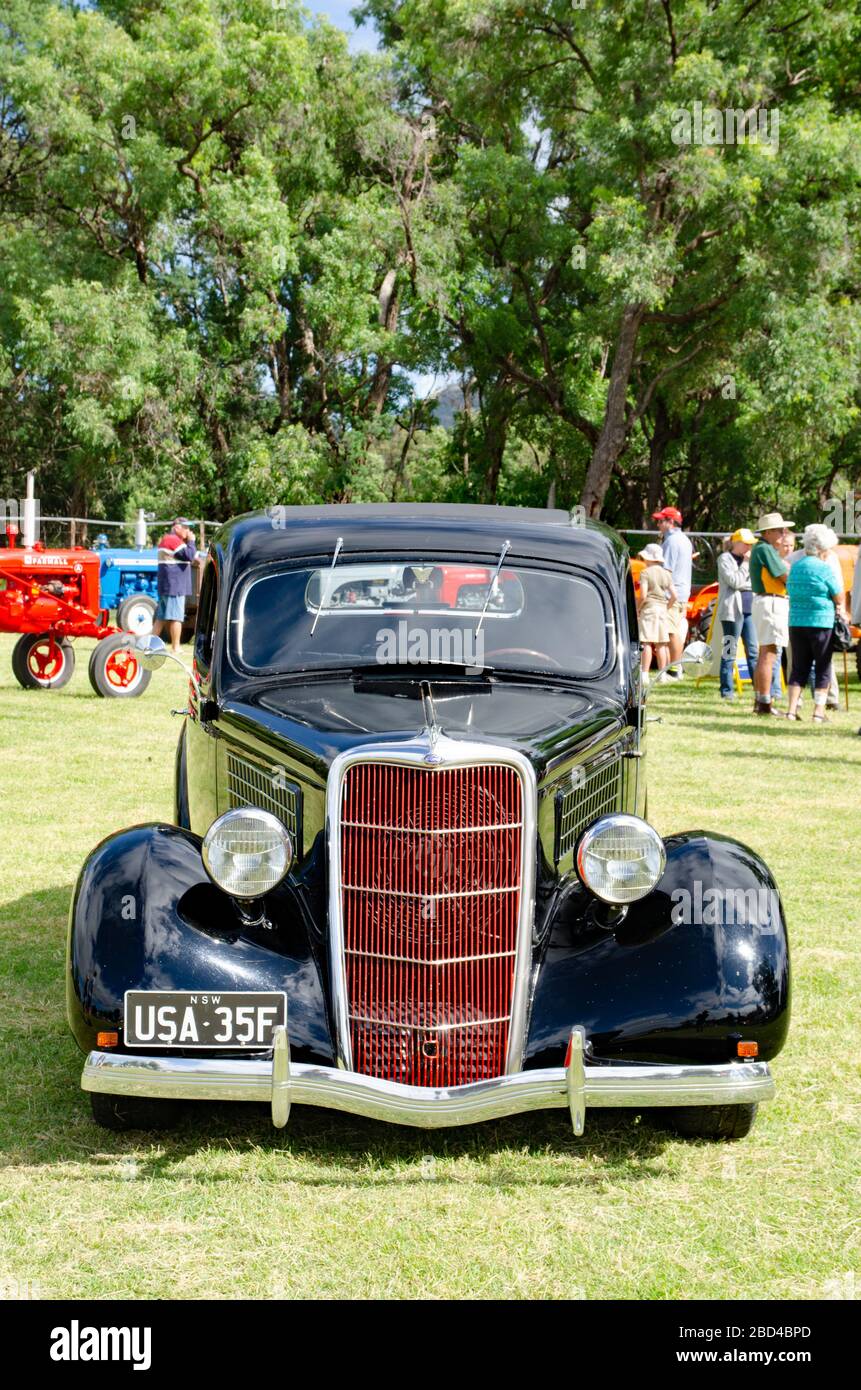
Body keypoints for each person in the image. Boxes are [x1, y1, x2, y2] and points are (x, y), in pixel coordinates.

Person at [785, 524, 847, 723]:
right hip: (820, 622)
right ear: (822, 549)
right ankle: (818, 711)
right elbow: (838, 596)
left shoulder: (796, 566)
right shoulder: (824, 567)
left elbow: (789, 590)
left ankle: (791, 710)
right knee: (823, 666)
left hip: (796, 621)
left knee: (798, 667)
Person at [749, 513, 794, 715]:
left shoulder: (763, 548)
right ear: (767, 532)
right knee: (770, 653)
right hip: (772, 602)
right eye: (779, 530)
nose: (784, 533)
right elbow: (784, 576)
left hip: (766, 601)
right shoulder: (765, 549)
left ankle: (761, 700)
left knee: (765, 653)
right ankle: (765, 703)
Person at [716, 528, 758, 700]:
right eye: (746, 544)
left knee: (754, 650)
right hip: (732, 611)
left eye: (751, 544)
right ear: (736, 542)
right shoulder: (725, 558)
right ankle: (726, 691)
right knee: (729, 650)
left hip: (751, 610)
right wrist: (747, 565)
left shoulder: (750, 560)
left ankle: (760, 691)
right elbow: (735, 581)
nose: (749, 547)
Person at [653, 506, 693, 679]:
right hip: (682, 592)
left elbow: (666, 570)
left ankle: (675, 670)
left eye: (660, 521)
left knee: (671, 632)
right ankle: (674, 669)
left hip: (672, 593)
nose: (658, 524)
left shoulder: (671, 541)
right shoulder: (684, 540)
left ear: (670, 522)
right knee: (673, 630)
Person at [153, 517, 197, 653]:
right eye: (186, 528)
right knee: (176, 617)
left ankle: (148, 644)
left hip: (168, 585)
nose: (188, 531)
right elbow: (189, 555)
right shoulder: (174, 541)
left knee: (161, 617)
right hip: (175, 586)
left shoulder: (167, 540)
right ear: (177, 527)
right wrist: (192, 541)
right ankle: (176, 647)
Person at [636, 543, 676, 684]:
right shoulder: (667, 573)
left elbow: (643, 595)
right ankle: (662, 675)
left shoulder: (646, 573)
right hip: (662, 609)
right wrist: (667, 608)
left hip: (649, 609)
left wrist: (638, 608)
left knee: (646, 642)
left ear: (648, 558)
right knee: (662, 644)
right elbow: (674, 596)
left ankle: (645, 674)